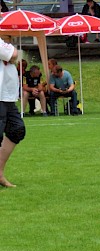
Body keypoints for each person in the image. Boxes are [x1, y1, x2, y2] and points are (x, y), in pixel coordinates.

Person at [0, 37, 26, 188]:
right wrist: (11, 50)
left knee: (16, 129)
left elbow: (16, 55)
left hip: (7, 96)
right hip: (0, 95)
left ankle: (0, 174)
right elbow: (14, 55)